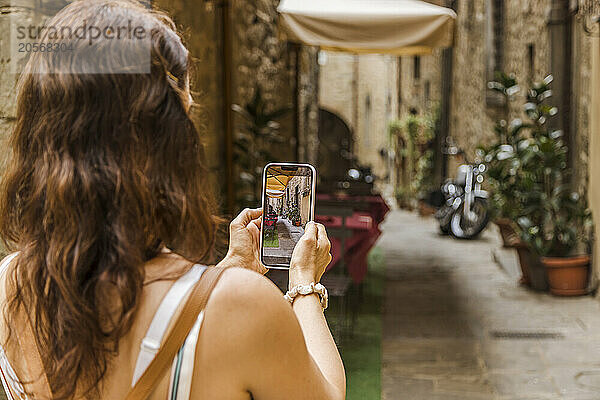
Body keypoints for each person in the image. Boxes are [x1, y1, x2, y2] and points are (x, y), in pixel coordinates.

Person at [0, 1, 345, 399]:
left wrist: (223, 273)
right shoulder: (240, 306)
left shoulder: (11, 287)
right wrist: (303, 285)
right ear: (169, 136)